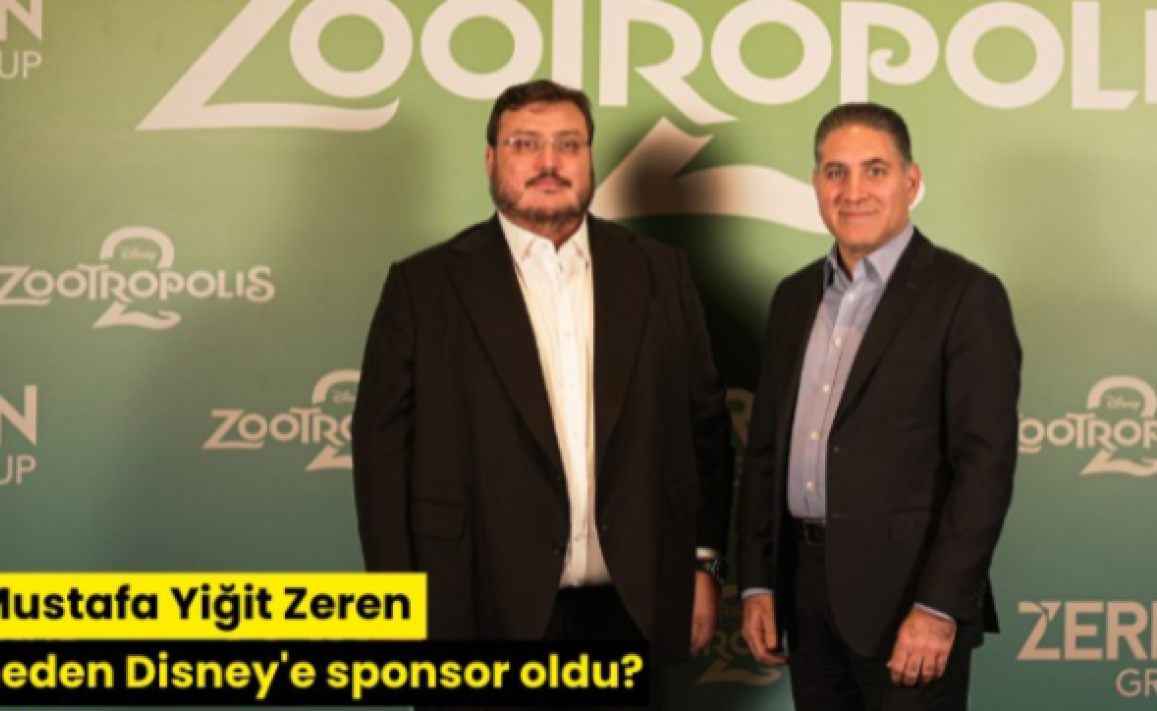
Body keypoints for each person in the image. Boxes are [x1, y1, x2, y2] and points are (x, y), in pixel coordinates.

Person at [352, 79, 732, 709]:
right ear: (491, 159)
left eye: (568, 144)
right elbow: (382, 462)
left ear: (590, 158)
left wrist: (705, 566)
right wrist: (395, 610)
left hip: (628, 612)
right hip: (474, 611)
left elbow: (706, 430)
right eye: (525, 143)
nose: (548, 162)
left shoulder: (660, 272)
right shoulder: (423, 286)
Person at [736, 103, 1021, 710]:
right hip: (803, 599)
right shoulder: (793, 297)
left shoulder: (966, 295)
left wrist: (939, 606)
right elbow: (765, 454)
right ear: (816, 184)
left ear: (911, 182)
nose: (853, 191)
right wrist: (757, 581)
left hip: (908, 605)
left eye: (875, 170)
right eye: (835, 172)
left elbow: (985, 467)